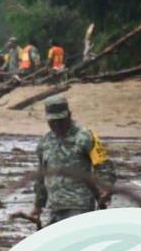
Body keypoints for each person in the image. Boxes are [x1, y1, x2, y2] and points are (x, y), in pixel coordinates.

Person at [29, 95, 117, 225]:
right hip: (55, 207)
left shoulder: (85, 137)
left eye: (61, 120)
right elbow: (42, 176)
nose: (57, 125)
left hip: (79, 205)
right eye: (53, 121)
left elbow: (103, 165)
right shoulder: (45, 142)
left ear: (69, 115)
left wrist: (106, 188)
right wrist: (38, 205)